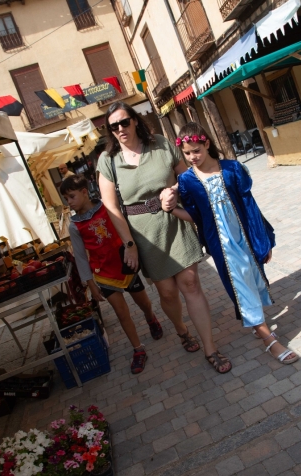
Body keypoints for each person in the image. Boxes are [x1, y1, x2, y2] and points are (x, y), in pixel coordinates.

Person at [96, 101, 232, 373]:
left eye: (124, 122)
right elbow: (110, 206)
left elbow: (186, 177)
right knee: (167, 293)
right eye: (114, 126)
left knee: (191, 283)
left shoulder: (159, 144)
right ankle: (181, 329)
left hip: (173, 220)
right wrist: (129, 244)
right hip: (143, 234)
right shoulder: (108, 160)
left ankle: (210, 349)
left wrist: (174, 191)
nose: (120, 129)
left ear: (134, 120)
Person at [169, 123, 297, 364]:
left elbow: (250, 206)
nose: (192, 157)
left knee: (251, 278)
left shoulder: (232, 169)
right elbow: (196, 216)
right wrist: (172, 210)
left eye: (196, 150)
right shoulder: (187, 181)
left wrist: (263, 239)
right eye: (186, 153)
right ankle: (269, 339)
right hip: (221, 246)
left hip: (245, 238)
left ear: (206, 144)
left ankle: (258, 325)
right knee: (239, 286)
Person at [61, 174, 164, 374]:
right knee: (121, 313)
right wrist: (89, 283)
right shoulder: (74, 225)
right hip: (103, 274)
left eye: (71, 197)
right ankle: (138, 349)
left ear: (84, 192)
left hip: (126, 265)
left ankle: (150, 318)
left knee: (143, 303)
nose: (69, 202)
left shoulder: (107, 207)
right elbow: (81, 257)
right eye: (66, 199)